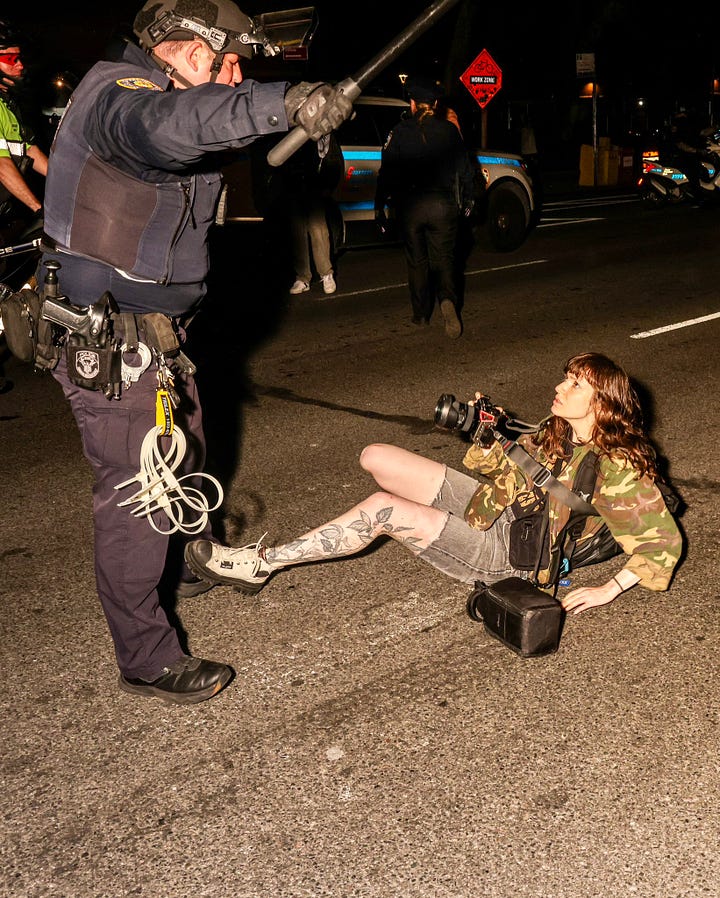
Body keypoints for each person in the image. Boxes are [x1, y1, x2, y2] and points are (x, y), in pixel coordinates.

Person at [40, 0, 352, 704]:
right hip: (110, 336)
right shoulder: (127, 98)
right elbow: (172, 127)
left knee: (186, 450)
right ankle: (146, 658)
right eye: (224, 61)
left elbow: (207, 137)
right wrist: (283, 102)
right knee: (137, 493)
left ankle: (182, 562)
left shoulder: (160, 95)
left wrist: (300, 122)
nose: (235, 76)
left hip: (153, 334)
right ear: (178, 49)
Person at [185, 353, 682, 617]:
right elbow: (509, 475)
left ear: (602, 405)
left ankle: (260, 564)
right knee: (375, 456)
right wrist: (487, 433)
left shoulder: (617, 467)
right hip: (503, 508)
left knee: (385, 508)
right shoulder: (559, 433)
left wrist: (607, 590)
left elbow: (662, 542)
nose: (560, 387)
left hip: (516, 553)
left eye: (576, 385)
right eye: (566, 377)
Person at [374, 74, 475, 338]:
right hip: (442, 205)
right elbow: (465, 170)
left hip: (411, 207)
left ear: (414, 104)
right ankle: (447, 301)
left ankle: (421, 315)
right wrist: (469, 199)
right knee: (445, 260)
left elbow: (386, 173)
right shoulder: (449, 131)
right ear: (435, 103)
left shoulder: (399, 132)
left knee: (417, 262)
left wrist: (379, 207)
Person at [0, 21, 47, 242]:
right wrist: (38, 208)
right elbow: (1, 165)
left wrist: (73, 179)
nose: (20, 66)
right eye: (11, 59)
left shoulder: (7, 106)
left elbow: (29, 150)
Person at [284, 132, 344, 296]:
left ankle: (326, 273)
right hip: (296, 186)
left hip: (316, 188)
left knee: (319, 230)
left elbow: (336, 161)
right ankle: (302, 278)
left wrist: (329, 188)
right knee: (298, 232)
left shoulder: (329, 135)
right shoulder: (297, 130)